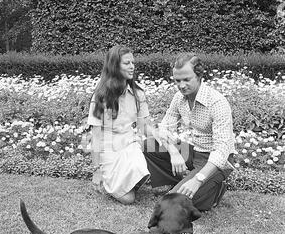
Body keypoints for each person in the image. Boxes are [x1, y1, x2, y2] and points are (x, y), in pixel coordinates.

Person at [144, 53, 235, 212]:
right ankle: (188, 182)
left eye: (186, 79)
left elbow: (221, 151)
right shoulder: (179, 98)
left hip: (217, 162)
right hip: (195, 152)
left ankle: (211, 189)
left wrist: (198, 180)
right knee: (149, 145)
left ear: (199, 76)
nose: (181, 85)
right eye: (177, 80)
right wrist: (173, 152)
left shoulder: (217, 103)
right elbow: (164, 128)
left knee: (170, 206)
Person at [84, 45, 150, 205]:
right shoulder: (101, 96)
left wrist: (168, 143)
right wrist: (97, 170)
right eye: (127, 63)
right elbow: (96, 135)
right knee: (128, 199)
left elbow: (144, 126)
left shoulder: (138, 94)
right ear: (114, 66)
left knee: (141, 172)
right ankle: (113, 184)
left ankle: (125, 181)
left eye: (133, 62)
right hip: (109, 149)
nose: (132, 66)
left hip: (129, 144)